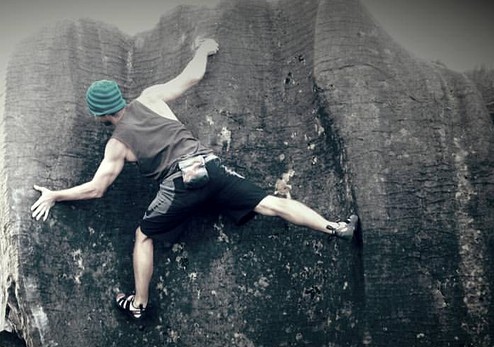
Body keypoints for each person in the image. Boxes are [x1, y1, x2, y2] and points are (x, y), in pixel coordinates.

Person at [30, 38, 358, 319]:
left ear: (101, 114)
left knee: (143, 236)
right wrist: (204, 48)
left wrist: (54, 195)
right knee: (270, 204)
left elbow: (97, 188)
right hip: (209, 166)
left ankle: (139, 304)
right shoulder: (151, 97)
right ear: (121, 98)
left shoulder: (117, 144)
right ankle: (335, 227)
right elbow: (192, 75)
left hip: (180, 183)